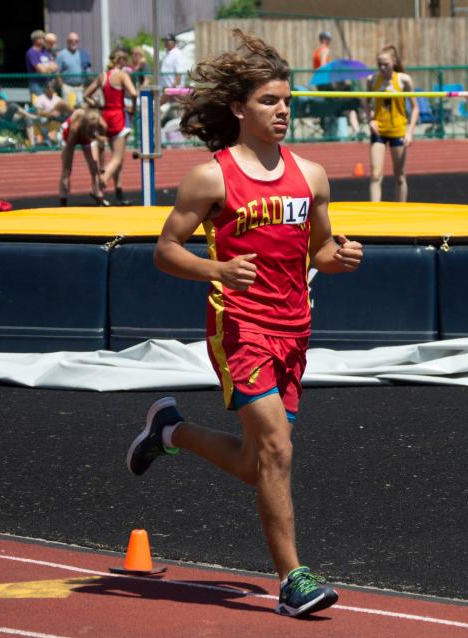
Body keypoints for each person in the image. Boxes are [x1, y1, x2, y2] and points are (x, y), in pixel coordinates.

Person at [127, 29, 362, 618]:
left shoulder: (312, 176)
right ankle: (293, 580)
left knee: (255, 462)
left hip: (294, 328)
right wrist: (217, 268)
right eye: (268, 101)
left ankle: (169, 432)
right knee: (278, 451)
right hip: (239, 328)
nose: (282, 111)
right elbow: (165, 251)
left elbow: (320, 250)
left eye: (287, 101)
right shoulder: (211, 177)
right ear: (238, 108)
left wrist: (339, 257)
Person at [83, 48, 137, 205]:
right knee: (117, 159)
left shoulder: (103, 76)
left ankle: (119, 193)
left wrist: (97, 104)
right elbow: (133, 93)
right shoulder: (121, 75)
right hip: (118, 116)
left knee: (114, 157)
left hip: (105, 115)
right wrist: (132, 107)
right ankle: (101, 183)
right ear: (121, 61)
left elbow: (86, 94)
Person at [365, 45, 419, 202]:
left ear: (394, 62)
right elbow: (366, 103)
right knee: (375, 175)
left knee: (400, 176)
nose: (382, 68)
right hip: (379, 132)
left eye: (385, 64)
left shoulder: (403, 80)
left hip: (398, 131)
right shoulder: (373, 80)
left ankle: (401, 212)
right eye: (379, 64)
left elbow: (415, 108)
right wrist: (370, 120)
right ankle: (375, 212)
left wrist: (410, 132)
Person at [59, 107, 109, 206]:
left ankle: (99, 198)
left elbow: (102, 147)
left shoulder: (102, 125)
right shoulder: (75, 128)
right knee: (66, 172)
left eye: (94, 127)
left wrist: (102, 172)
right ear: (85, 124)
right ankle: (63, 200)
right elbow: (69, 151)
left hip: (87, 135)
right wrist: (65, 173)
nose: (93, 129)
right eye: (91, 127)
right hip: (69, 136)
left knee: (95, 168)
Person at [56, 32, 92, 108]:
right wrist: (62, 86)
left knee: (82, 109)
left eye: (76, 41)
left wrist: (84, 84)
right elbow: (57, 72)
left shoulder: (82, 53)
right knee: (69, 109)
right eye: (71, 41)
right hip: (68, 87)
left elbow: (87, 70)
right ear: (67, 42)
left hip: (80, 87)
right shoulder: (61, 54)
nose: (73, 43)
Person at [34, 79, 71, 144]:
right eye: (49, 87)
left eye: (52, 87)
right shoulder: (40, 98)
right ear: (46, 89)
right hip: (46, 117)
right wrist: (50, 114)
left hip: (58, 117)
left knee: (64, 107)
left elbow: (62, 110)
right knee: (61, 104)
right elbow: (38, 113)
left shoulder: (57, 98)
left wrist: (58, 113)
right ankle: (75, 112)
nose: (51, 89)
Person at [26, 30, 58, 100]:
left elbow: (55, 67)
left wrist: (45, 68)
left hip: (47, 84)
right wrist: (48, 68)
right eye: (43, 38)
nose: (45, 40)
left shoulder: (45, 52)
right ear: (36, 40)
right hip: (36, 84)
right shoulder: (31, 52)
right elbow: (41, 70)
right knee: (39, 106)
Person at [159, 33, 183, 98]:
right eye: (165, 41)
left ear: (173, 42)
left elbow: (179, 72)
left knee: (157, 105)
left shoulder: (177, 54)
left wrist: (174, 89)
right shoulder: (165, 53)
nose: (165, 43)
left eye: (167, 41)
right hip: (164, 88)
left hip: (171, 89)